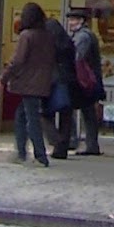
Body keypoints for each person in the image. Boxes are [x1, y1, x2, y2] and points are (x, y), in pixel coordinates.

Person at [0, 0, 54, 166]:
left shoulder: (26, 36)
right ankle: (21, 151)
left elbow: (18, 60)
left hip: (27, 83)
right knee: (22, 115)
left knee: (31, 118)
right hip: (42, 82)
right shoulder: (47, 35)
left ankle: (39, 155)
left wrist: (4, 77)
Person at [67, 6, 104, 155]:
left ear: (81, 21)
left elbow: (77, 57)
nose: (70, 22)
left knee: (77, 109)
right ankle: (91, 145)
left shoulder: (82, 37)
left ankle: (74, 141)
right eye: (70, 19)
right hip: (89, 80)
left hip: (84, 80)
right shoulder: (86, 35)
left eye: (73, 19)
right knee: (88, 113)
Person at [43, 11, 78, 159]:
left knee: (45, 113)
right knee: (66, 114)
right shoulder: (68, 43)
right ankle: (62, 147)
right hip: (69, 81)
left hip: (53, 80)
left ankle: (56, 139)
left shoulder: (49, 45)